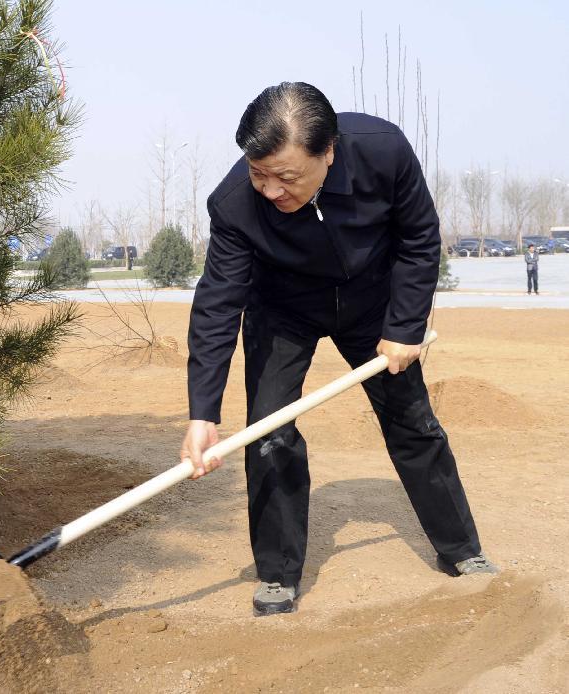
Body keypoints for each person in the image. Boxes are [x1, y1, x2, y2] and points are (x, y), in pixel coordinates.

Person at [180, 82, 496, 616]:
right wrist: (202, 412)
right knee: (270, 431)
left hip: (372, 302)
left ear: (328, 152)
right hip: (283, 310)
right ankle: (278, 574)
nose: (271, 190)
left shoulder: (383, 150)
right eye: (259, 173)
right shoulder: (234, 205)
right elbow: (217, 305)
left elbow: (419, 237)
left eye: (286, 177)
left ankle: (462, 550)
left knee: (413, 422)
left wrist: (405, 325)